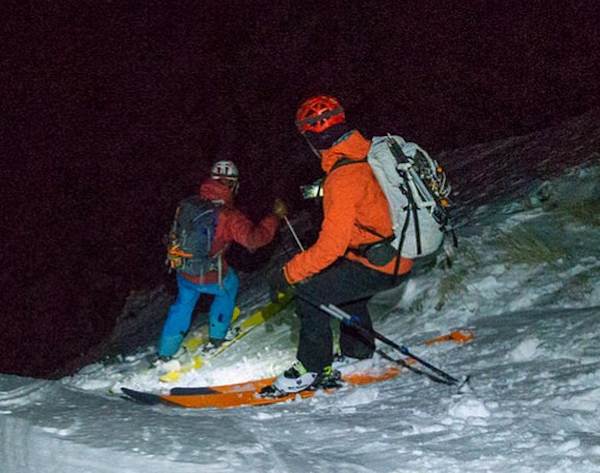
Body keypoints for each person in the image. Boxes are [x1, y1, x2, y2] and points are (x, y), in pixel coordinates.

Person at [265, 95, 413, 394]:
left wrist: (288, 274)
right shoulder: (366, 153)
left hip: (383, 262)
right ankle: (358, 352)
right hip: (395, 252)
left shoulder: (342, 177)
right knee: (343, 286)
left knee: (310, 292)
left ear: (313, 137)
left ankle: (312, 368)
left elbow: (331, 246)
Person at [157, 160, 288, 361]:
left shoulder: (189, 204)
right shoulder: (228, 215)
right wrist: (274, 217)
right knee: (228, 287)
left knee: (183, 304)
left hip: (183, 268)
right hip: (208, 273)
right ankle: (218, 336)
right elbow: (253, 239)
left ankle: (166, 351)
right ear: (233, 185)